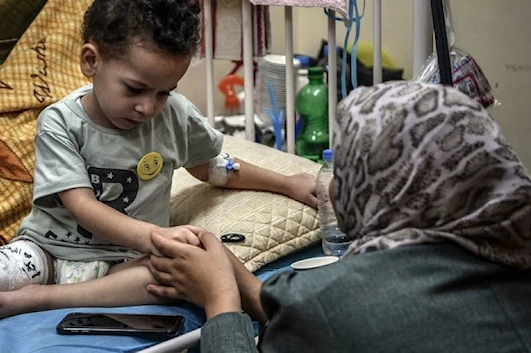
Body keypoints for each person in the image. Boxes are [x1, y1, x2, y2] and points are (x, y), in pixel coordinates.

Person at [0, 0, 317, 326]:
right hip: (51, 251)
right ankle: (47, 282)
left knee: (196, 262)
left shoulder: (175, 117)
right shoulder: (60, 122)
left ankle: (42, 298)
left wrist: (289, 184)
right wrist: (156, 235)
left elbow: (215, 166)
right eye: (134, 89)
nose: (148, 108)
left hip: (128, 263)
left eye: (164, 92)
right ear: (91, 61)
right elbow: (82, 206)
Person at [147, 81, 531, 353]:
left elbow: (330, 313)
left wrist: (220, 301)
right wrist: (237, 279)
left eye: (345, 172)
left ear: (390, 186)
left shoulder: (333, 303)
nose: (330, 188)